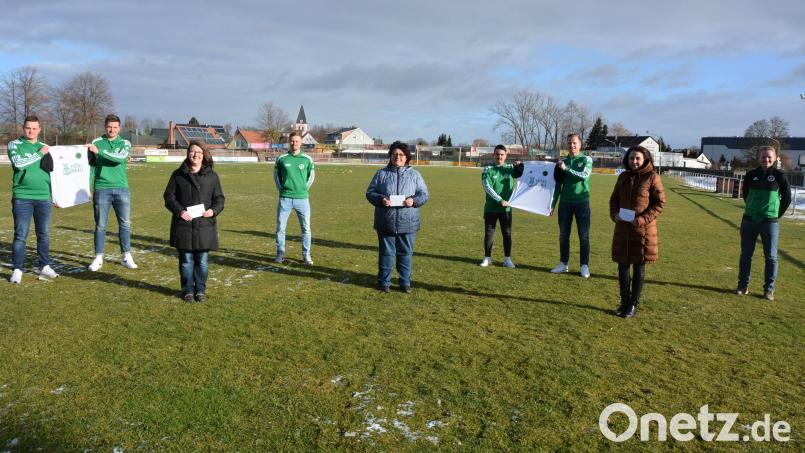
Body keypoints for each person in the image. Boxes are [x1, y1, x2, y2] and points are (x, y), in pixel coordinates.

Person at [163, 140, 225, 302]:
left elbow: (219, 199)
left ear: (204, 155)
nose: (195, 154)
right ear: (188, 154)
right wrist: (180, 211)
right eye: (192, 151)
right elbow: (169, 196)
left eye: (199, 152)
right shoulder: (178, 175)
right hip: (184, 225)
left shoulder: (212, 176)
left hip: (204, 225)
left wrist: (213, 210)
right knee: (186, 260)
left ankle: (200, 289)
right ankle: (188, 289)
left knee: (202, 261)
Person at [609, 146, 666, 318]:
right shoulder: (623, 177)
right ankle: (624, 302)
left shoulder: (652, 177)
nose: (634, 161)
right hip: (623, 229)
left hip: (643, 231)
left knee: (639, 267)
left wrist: (641, 220)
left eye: (638, 158)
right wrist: (615, 214)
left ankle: (633, 304)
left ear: (645, 159)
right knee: (622, 267)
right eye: (632, 158)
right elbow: (614, 199)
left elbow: (659, 203)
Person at [366, 141, 429, 293]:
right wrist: (381, 200)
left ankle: (405, 282)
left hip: (408, 222)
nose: (398, 157)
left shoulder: (415, 175)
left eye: (401, 154)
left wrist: (413, 201)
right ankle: (384, 282)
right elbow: (370, 193)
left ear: (407, 157)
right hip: (386, 221)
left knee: (405, 254)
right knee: (386, 253)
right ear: (390, 156)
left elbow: (424, 194)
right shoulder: (381, 174)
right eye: (395, 154)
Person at [7, 115, 58, 283]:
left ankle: (44, 266)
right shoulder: (15, 145)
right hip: (22, 197)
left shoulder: (45, 147)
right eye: (28, 127)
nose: (31, 131)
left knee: (43, 234)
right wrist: (39, 153)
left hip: (44, 197)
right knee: (21, 235)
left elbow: (55, 173)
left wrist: (57, 195)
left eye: (35, 128)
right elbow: (19, 164)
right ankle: (17, 269)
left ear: (39, 129)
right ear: (23, 128)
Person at [736, 145, 790, 300]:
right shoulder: (751, 175)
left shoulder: (780, 176)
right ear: (758, 158)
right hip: (749, 221)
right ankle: (743, 286)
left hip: (770, 223)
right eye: (763, 156)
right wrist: (753, 209)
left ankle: (768, 290)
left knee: (771, 257)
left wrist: (774, 215)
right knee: (746, 255)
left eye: (769, 157)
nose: (766, 159)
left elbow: (786, 199)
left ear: (775, 158)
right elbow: (746, 195)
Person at [87, 114, 138, 271]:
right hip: (102, 188)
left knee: (125, 223)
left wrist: (100, 152)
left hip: (122, 188)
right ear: (105, 127)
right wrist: (88, 187)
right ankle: (98, 257)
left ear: (119, 128)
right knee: (101, 225)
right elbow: (91, 167)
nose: (112, 130)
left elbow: (120, 158)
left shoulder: (124, 143)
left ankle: (126, 256)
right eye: (109, 126)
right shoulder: (97, 142)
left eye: (115, 127)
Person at [550, 133, 593, 278]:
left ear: (580, 144)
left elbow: (584, 175)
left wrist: (566, 169)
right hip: (565, 203)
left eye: (574, 143)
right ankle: (563, 264)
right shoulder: (562, 162)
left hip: (582, 203)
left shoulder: (586, 159)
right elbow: (557, 185)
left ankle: (584, 266)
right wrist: (553, 204)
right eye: (569, 143)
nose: (571, 145)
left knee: (584, 236)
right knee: (563, 235)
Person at [273, 131, 315, 264]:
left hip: (302, 199)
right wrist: (283, 190)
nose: (294, 143)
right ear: (289, 142)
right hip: (285, 199)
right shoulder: (281, 158)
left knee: (306, 228)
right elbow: (276, 177)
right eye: (292, 141)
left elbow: (311, 177)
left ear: (301, 142)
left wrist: (302, 190)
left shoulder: (307, 159)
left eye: (297, 141)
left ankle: (306, 255)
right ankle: (280, 254)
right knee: (280, 228)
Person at [480, 145, 524, 268]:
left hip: (506, 209)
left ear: (506, 156)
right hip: (491, 208)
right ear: (493, 155)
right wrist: (500, 200)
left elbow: (523, 173)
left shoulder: (510, 168)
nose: (499, 156)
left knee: (507, 234)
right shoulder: (487, 169)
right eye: (497, 154)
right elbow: (487, 187)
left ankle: (507, 259)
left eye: (502, 154)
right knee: (489, 234)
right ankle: (487, 258)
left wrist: (520, 165)